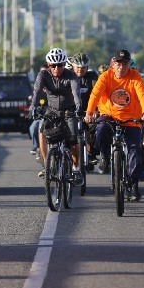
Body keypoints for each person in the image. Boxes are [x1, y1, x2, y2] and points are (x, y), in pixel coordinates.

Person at [84, 49, 144, 202]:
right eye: (118, 63)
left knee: (134, 149)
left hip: (131, 119)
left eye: (125, 64)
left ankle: (134, 185)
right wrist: (89, 112)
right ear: (113, 63)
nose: (121, 67)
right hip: (109, 116)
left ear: (129, 64)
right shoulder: (106, 76)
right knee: (100, 129)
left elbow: (142, 94)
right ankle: (105, 157)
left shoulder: (135, 77)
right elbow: (95, 94)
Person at [31, 48, 83, 185]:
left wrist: (78, 106)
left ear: (64, 64)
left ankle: (76, 169)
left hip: (69, 110)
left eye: (59, 65)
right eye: (52, 65)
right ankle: (47, 163)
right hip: (52, 110)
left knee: (73, 138)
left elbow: (76, 93)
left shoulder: (72, 75)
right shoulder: (43, 75)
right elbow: (36, 91)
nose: (56, 68)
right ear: (48, 65)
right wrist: (33, 107)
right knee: (42, 131)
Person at [69, 52, 99, 168]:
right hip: (71, 109)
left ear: (87, 67)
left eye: (83, 67)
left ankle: (91, 154)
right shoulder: (68, 75)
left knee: (95, 128)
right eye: (78, 67)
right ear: (73, 66)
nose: (80, 70)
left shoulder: (92, 77)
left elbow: (97, 94)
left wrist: (95, 110)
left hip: (88, 110)